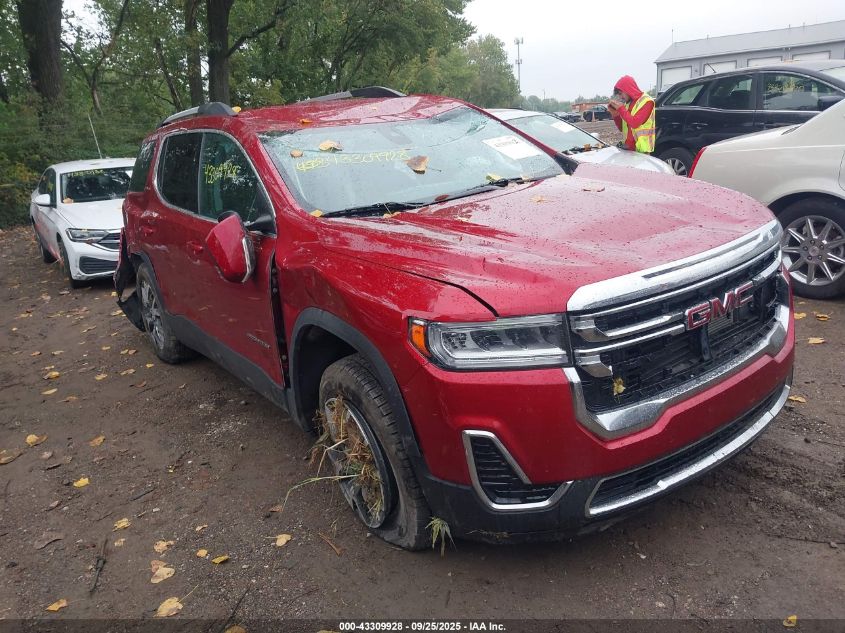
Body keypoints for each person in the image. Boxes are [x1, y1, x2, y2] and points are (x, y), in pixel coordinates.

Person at [607, 75, 655, 154]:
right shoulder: (628, 104)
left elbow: (635, 123)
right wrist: (615, 115)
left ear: (628, 89)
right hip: (628, 149)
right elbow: (622, 128)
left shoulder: (647, 101)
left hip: (641, 151)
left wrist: (621, 108)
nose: (620, 97)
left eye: (621, 93)